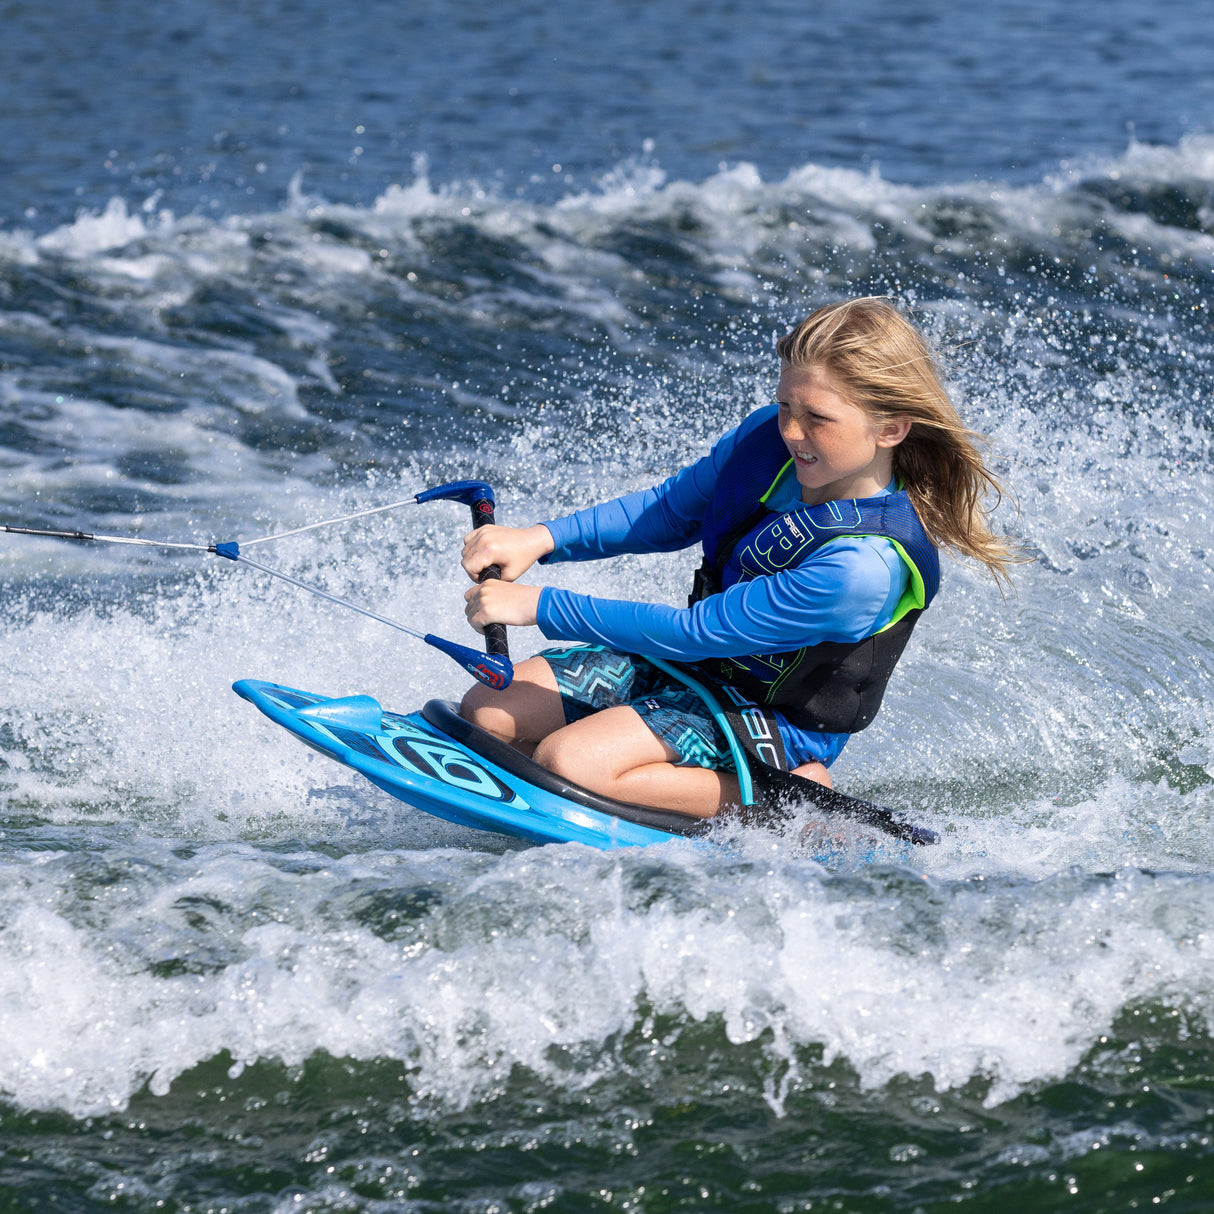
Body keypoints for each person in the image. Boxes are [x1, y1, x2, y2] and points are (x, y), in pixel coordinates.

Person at [459, 297, 1015, 818]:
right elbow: (670, 511)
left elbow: (695, 631)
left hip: (769, 718)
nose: (792, 431)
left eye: (817, 418)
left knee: (570, 762)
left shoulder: (862, 566)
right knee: (487, 712)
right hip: (697, 666)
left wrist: (540, 606)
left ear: (890, 428)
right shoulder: (766, 444)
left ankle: (784, 801)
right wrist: (539, 539)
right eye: (785, 406)